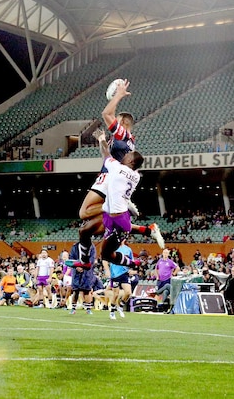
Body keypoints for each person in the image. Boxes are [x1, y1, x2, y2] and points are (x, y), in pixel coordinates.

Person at [75, 79, 163, 268]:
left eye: (118, 120)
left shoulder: (122, 134)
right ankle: (141, 228)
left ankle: (124, 206)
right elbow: (109, 153)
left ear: (122, 123)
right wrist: (101, 140)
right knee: (87, 230)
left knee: (84, 212)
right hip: (113, 180)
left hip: (108, 177)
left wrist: (118, 95)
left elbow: (106, 113)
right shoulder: (128, 144)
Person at [105, 237, 133, 319]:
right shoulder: (112, 248)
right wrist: (107, 270)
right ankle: (112, 312)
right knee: (116, 294)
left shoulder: (128, 250)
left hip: (124, 273)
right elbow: (106, 259)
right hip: (115, 274)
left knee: (128, 292)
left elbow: (131, 261)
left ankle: (120, 306)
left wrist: (131, 268)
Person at [68, 241, 97, 314]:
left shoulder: (91, 246)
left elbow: (92, 259)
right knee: (75, 291)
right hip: (76, 271)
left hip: (87, 272)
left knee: (87, 291)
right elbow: (71, 258)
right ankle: (73, 308)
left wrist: (84, 267)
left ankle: (88, 309)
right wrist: (76, 266)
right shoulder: (75, 246)